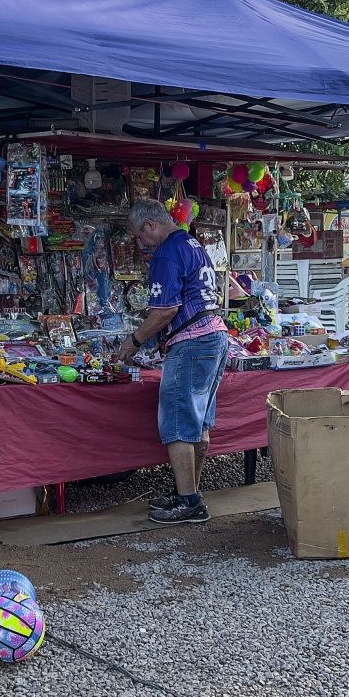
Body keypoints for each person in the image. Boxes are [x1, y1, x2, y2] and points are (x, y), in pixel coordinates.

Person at [118, 199, 230, 524]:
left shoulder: (167, 251)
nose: (141, 244)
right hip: (214, 335)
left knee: (178, 423)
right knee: (199, 422)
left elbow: (165, 309)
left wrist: (135, 341)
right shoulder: (192, 242)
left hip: (192, 340)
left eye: (140, 236)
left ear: (151, 226)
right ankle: (189, 492)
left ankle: (189, 501)